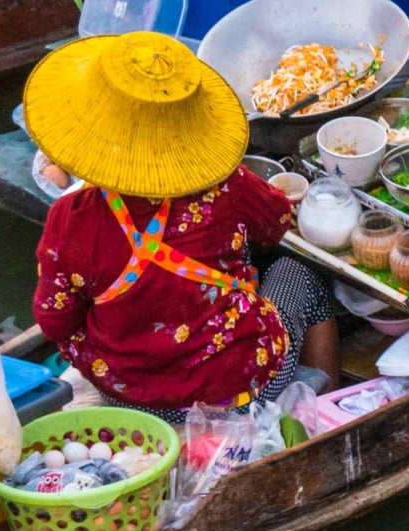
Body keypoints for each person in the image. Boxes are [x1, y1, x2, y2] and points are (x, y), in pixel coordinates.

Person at [25, 32, 340, 421]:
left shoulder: (70, 215)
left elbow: (55, 319)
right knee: (304, 273)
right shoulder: (224, 184)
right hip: (240, 388)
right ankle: (327, 418)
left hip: (129, 395)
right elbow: (277, 222)